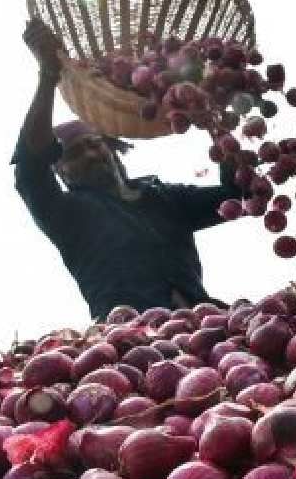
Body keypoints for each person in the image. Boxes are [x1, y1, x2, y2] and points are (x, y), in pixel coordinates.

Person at [13, 19, 243, 321]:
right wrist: (48, 76)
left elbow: (237, 195)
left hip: (205, 326)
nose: (91, 154)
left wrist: (214, 119)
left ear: (111, 149)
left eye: (94, 144)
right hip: (130, 344)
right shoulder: (66, 214)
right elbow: (30, 166)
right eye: (74, 154)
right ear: (62, 172)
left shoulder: (163, 198)